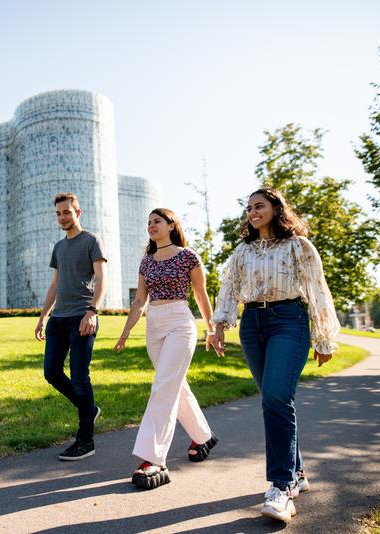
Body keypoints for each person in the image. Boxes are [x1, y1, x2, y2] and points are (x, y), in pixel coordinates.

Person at [211, 188, 340, 523]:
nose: (253, 212)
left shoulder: (299, 246)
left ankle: (281, 488)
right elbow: (229, 287)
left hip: (289, 320)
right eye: (249, 207)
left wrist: (324, 338)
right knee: (273, 399)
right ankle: (297, 471)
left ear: (276, 208)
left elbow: (318, 289)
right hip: (253, 323)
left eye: (260, 206)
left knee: (276, 399)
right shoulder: (243, 249)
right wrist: (220, 325)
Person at [114, 208, 219, 490]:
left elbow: (200, 294)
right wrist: (125, 332)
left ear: (172, 225)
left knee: (163, 386)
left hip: (180, 322)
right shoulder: (146, 262)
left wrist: (212, 329)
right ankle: (203, 435)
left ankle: (154, 458)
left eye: (157, 221)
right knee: (175, 386)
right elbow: (139, 301)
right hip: (154, 325)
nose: (151, 225)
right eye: (148, 222)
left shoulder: (188, 256)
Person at [35, 192, 106, 461]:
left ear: (78, 212)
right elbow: (54, 284)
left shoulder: (91, 241)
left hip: (82, 317)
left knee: (79, 376)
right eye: (58, 213)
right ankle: (89, 409)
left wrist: (92, 311)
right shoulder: (59, 247)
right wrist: (43, 317)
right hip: (58, 320)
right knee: (51, 372)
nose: (62, 217)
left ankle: (86, 441)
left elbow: (101, 279)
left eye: (67, 212)